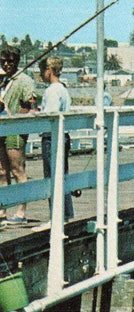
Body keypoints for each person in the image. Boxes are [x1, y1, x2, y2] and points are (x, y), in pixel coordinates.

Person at [0, 47, 35, 223]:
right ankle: (2, 211)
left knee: (17, 170)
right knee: (1, 171)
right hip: (1, 129)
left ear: (17, 61)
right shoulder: (3, 79)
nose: (6, 64)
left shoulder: (24, 80)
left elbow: (31, 104)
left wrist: (16, 117)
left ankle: (21, 212)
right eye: (3, 61)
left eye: (10, 61)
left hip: (14, 129)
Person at [38, 56, 73, 221]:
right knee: (63, 175)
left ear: (49, 71)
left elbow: (50, 115)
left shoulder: (52, 90)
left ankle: (56, 217)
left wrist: (35, 113)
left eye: (41, 71)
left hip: (52, 138)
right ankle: (66, 214)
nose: (40, 74)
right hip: (63, 136)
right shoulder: (63, 89)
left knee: (52, 177)